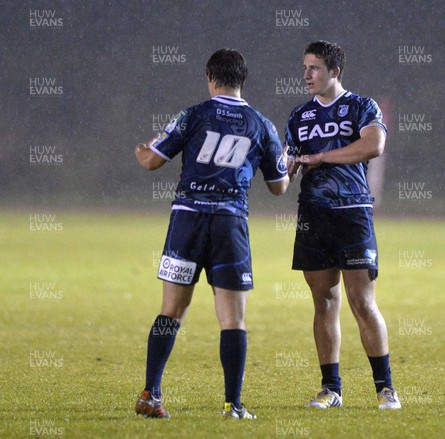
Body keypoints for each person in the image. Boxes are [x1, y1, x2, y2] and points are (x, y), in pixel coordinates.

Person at [133, 48, 289, 420]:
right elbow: (279, 187)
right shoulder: (261, 124)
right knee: (232, 318)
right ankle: (232, 405)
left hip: (187, 221)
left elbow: (152, 160)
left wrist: (140, 147)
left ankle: (151, 394)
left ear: (210, 77)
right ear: (242, 80)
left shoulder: (194, 115)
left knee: (171, 310)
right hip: (229, 224)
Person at [285, 40, 401, 410]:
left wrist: (322, 156)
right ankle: (331, 389)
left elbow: (374, 146)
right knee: (324, 302)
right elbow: (285, 176)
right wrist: (279, 167)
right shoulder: (298, 117)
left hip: (352, 213)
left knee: (362, 302)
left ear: (335, 72)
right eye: (305, 67)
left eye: (314, 67)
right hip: (313, 216)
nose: (307, 74)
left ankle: (385, 389)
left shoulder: (361, 106)